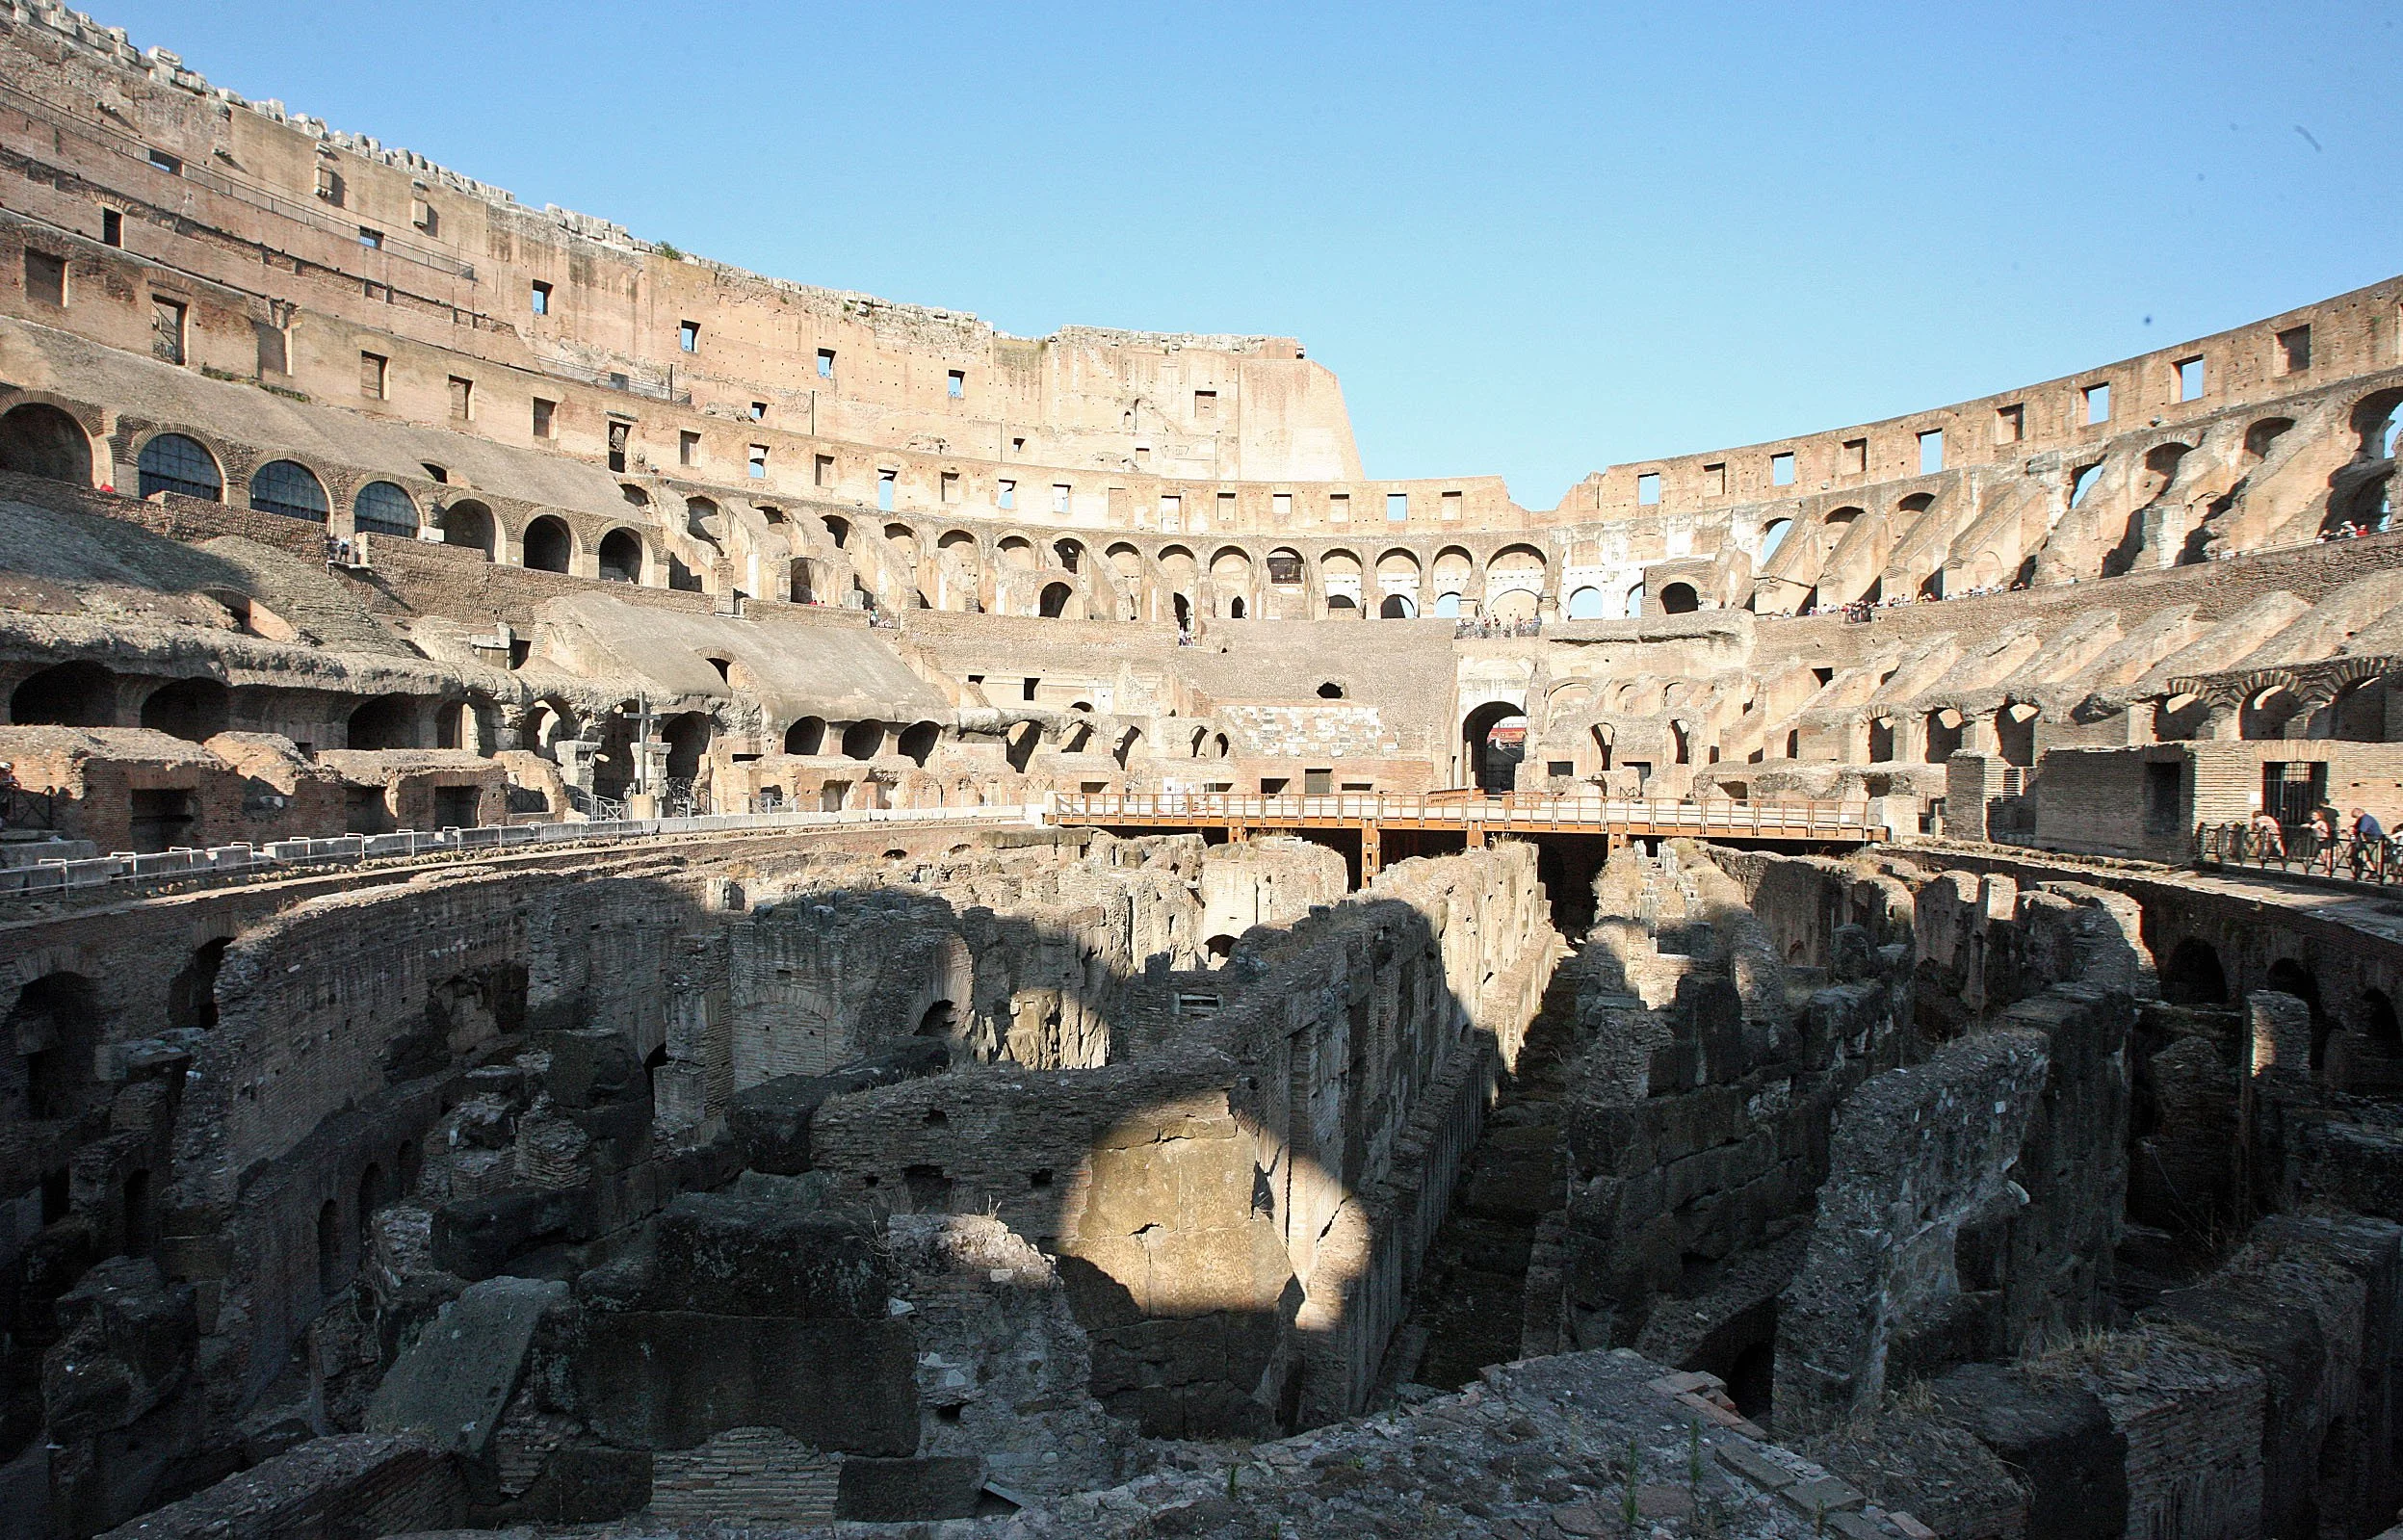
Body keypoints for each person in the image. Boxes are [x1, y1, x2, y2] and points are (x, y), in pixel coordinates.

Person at [2350, 807, 2387, 879]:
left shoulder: (2366, 819)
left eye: (2356, 816)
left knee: (2365, 856)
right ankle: (2368, 873)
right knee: (2364, 856)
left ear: (2359, 813)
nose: (2356, 818)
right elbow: (2356, 827)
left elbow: (2362, 829)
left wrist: (2354, 831)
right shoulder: (2362, 818)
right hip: (2369, 839)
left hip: (2372, 839)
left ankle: (2373, 872)